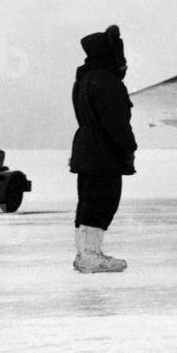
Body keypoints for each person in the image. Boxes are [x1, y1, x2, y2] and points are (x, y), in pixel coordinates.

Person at [69, 25, 137, 273]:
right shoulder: (108, 82)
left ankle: (85, 253)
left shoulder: (85, 80)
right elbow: (116, 121)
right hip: (104, 154)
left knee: (88, 202)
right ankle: (90, 255)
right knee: (102, 202)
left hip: (87, 150)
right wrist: (129, 146)